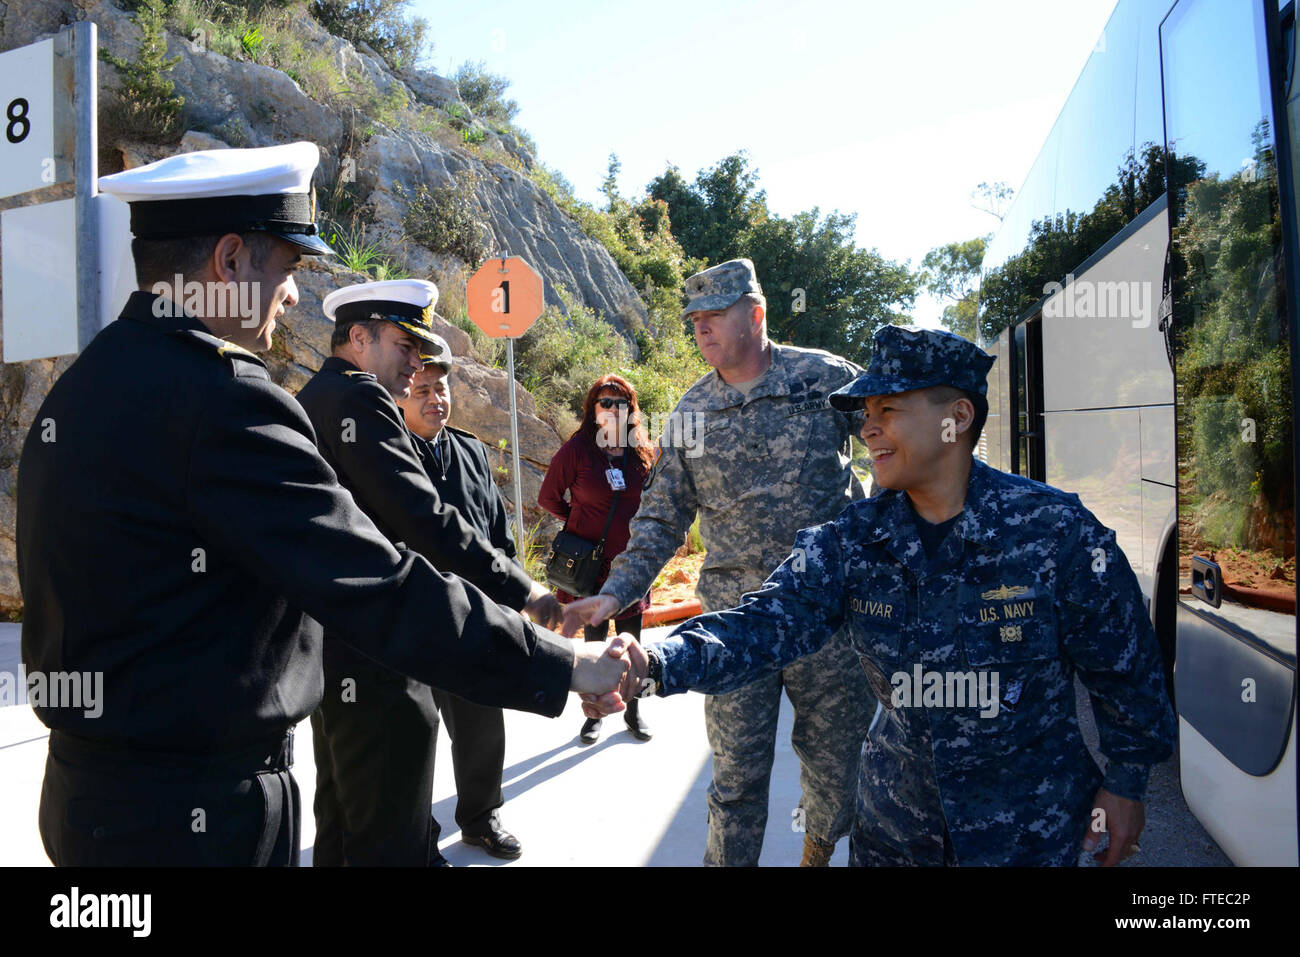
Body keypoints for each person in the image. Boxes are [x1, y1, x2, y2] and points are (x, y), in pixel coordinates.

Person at [16, 143, 628, 867]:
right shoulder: (225, 403)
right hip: (193, 818)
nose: (294, 295)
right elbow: (380, 581)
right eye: (287, 267)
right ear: (232, 260)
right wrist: (562, 662)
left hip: (88, 798)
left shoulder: (87, 381)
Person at [600, 325, 1178, 866]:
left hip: (1031, 833)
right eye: (866, 414)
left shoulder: (1055, 532)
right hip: (894, 834)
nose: (869, 428)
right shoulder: (853, 540)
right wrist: (652, 664)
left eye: (889, 410)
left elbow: (1125, 668)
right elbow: (758, 624)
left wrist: (1126, 782)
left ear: (957, 418)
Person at [563, 259, 875, 866]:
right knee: (735, 780)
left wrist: (885, 544)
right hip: (735, 625)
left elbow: (896, 445)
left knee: (836, 768)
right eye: (694, 320)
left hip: (829, 621)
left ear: (755, 315)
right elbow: (660, 518)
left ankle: (817, 853)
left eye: (714, 316)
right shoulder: (690, 416)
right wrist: (618, 590)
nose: (701, 330)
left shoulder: (824, 380)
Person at [298, 278, 565, 867]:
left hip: (332, 645)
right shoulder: (357, 398)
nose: (416, 362)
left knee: (342, 808)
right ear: (359, 337)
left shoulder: (312, 396)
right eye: (405, 346)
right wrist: (526, 593)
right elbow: (425, 519)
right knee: (387, 820)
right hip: (380, 646)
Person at [393, 343, 529, 862]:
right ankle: (418, 834)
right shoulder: (389, 452)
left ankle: (480, 816)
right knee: (415, 731)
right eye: (422, 391)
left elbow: (496, 531)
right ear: (403, 398)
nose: (434, 400)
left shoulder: (470, 449)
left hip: (475, 611)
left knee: (481, 721)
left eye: (441, 389)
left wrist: (513, 594)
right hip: (416, 612)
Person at [539, 374, 655, 746]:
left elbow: (655, 501)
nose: (613, 409)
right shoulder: (577, 450)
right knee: (595, 641)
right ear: (592, 409)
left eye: (621, 403)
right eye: (605, 402)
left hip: (632, 564)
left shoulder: (640, 450)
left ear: (630, 410)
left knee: (632, 641)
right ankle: (594, 713)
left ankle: (634, 709)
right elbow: (549, 497)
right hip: (590, 565)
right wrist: (578, 524)